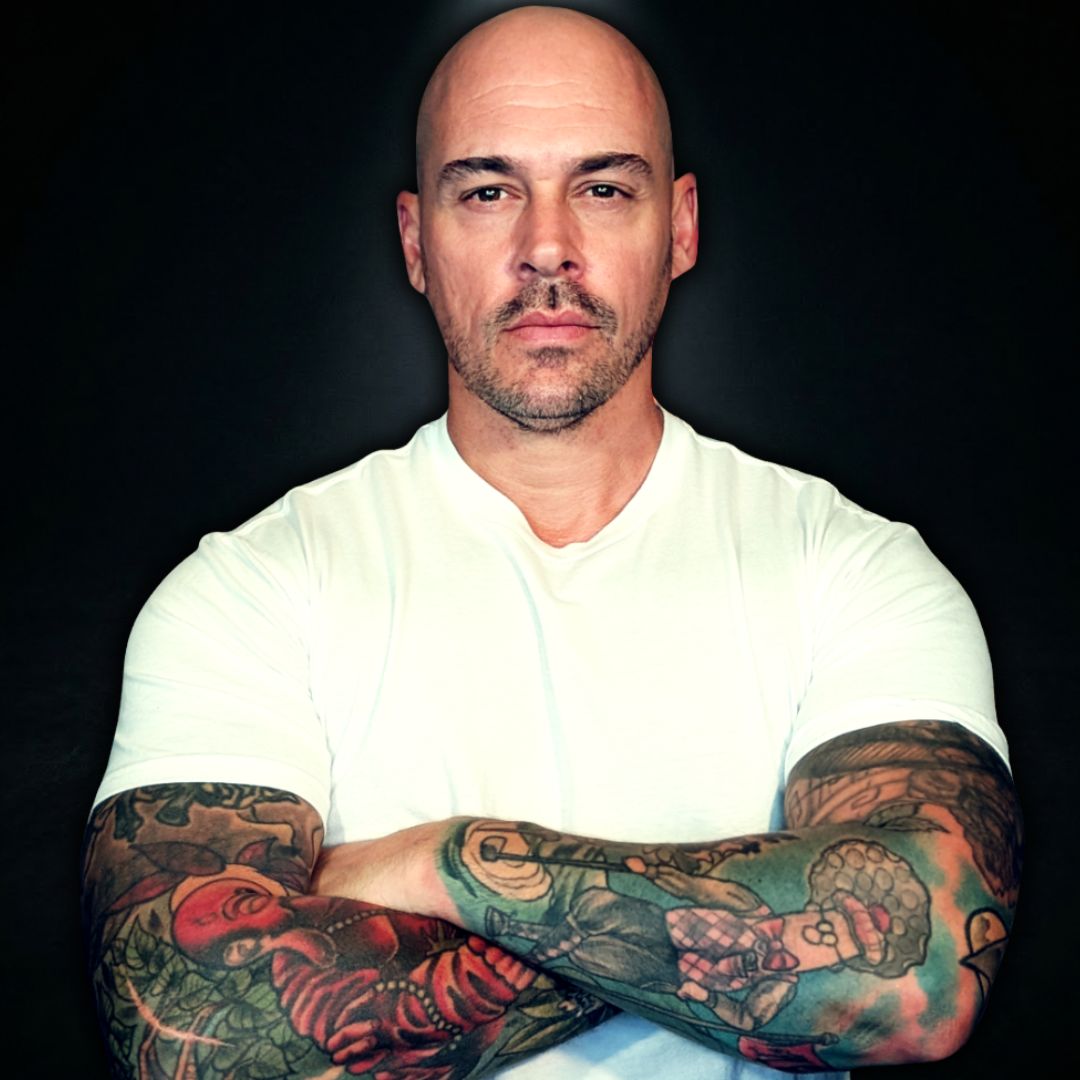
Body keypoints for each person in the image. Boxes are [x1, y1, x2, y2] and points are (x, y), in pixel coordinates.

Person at [81, 6, 1021, 1079]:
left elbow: (916, 974)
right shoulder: (248, 593)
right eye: (487, 192)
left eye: (603, 188)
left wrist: (434, 863)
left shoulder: (856, 572)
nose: (545, 247)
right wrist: (767, 930)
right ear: (415, 242)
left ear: (680, 229)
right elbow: (195, 1030)